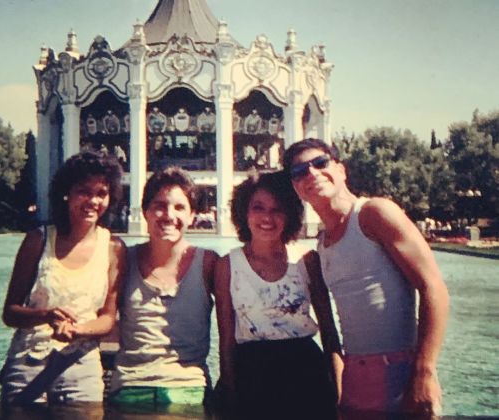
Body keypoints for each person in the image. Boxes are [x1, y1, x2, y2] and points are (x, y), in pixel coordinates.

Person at [283, 138, 450, 416]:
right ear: (296, 187)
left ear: (341, 170)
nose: (311, 173)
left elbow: (433, 287)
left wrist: (424, 371)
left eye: (320, 163)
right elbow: (331, 327)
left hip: (400, 374)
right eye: (299, 172)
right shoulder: (322, 243)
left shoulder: (374, 213)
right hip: (355, 379)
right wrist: (340, 385)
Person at [1, 151, 126, 406]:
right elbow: (10, 313)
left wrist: (77, 330)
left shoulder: (113, 248)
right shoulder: (38, 240)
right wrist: (46, 315)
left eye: (101, 193)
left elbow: (107, 318)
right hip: (28, 364)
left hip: (81, 369)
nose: (93, 200)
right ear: (66, 193)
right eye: (84, 191)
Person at [215, 170, 341, 419]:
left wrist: (338, 384)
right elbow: (226, 336)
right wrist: (229, 386)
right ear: (244, 212)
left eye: (277, 209)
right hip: (251, 371)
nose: (267, 218)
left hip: (305, 370)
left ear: (290, 214)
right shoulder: (228, 265)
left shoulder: (306, 259)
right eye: (258, 208)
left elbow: (328, 328)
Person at [109, 167, 217, 415]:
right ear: (145, 212)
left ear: (192, 215)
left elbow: (232, 323)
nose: (168, 215)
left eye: (180, 207)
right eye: (159, 206)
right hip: (131, 386)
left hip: (189, 388)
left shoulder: (209, 263)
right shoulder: (123, 258)